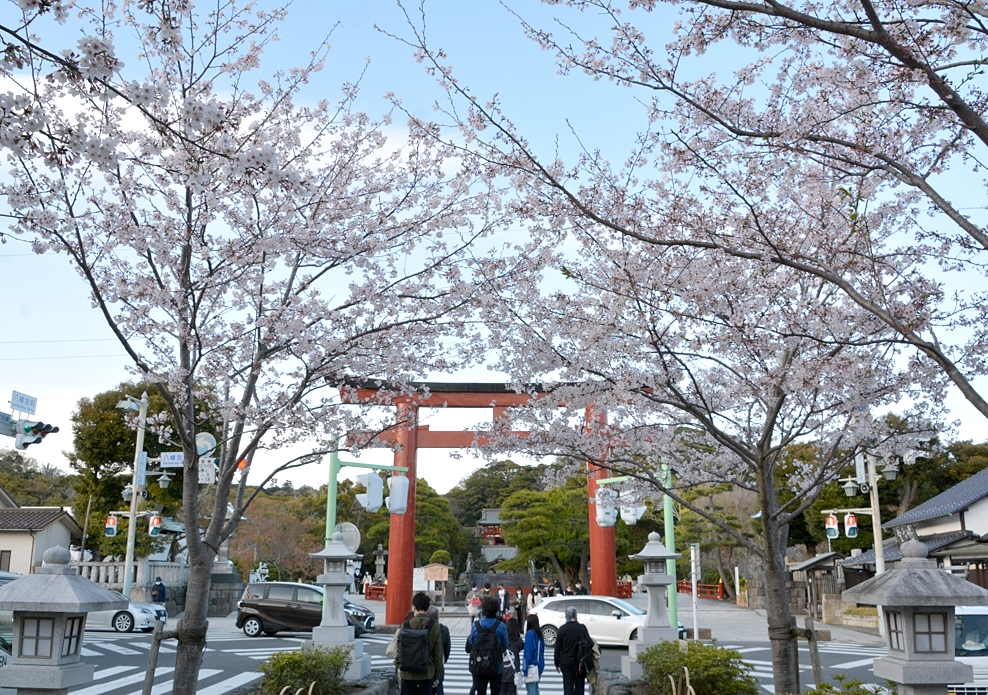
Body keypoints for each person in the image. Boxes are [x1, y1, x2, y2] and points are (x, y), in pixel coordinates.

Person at [395, 593, 444, 695]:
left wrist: (399, 667)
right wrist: (437, 675)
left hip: (408, 672)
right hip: (427, 671)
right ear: (428, 608)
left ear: (414, 607)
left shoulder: (406, 625)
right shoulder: (434, 626)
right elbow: (438, 653)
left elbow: (400, 648)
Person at [467, 595, 509, 695]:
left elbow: (473, 642)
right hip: (496, 664)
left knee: (481, 691)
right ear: (497, 609)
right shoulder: (501, 626)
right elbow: (505, 645)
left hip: (479, 664)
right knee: (496, 691)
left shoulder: (476, 625)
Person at [554, 606, 591, 695]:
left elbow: (557, 648)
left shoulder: (562, 629)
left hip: (566, 661)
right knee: (579, 687)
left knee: (568, 687)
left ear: (566, 617)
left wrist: (557, 663)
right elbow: (590, 643)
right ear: (576, 616)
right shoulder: (582, 628)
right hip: (580, 662)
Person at [427, 606, 451, 695]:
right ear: (438, 617)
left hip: (427, 662)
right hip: (439, 662)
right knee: (439, 686)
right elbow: (447, 648)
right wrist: (444, 659)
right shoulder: (443, 629)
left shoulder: (425, 628)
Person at [522, 615, 546, 695]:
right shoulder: (540, 634)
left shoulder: (530, 634)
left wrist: (525, 669)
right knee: (535, 688)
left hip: (531, 666)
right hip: (539, 665)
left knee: (531, 690)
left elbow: (528, 653)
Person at [502, 618, 524, 695]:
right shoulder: (518, 641)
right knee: (512, 692)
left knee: (502, 692)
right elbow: (522, 646)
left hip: (502, 671)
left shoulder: (502, 640)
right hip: (513, 673)